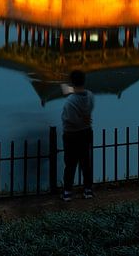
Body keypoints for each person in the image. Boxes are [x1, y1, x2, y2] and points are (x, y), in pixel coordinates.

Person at [61, 70, 95, 201]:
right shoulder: (90, 96)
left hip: (71, 134)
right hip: (86, 132)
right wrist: (84, 119)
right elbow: (74, 91)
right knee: (86, 162)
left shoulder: (70, 102)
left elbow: (69, 119)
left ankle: (68, 191)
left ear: (72, 82)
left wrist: (79, 120)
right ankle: (88, 190)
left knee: (70, 163)